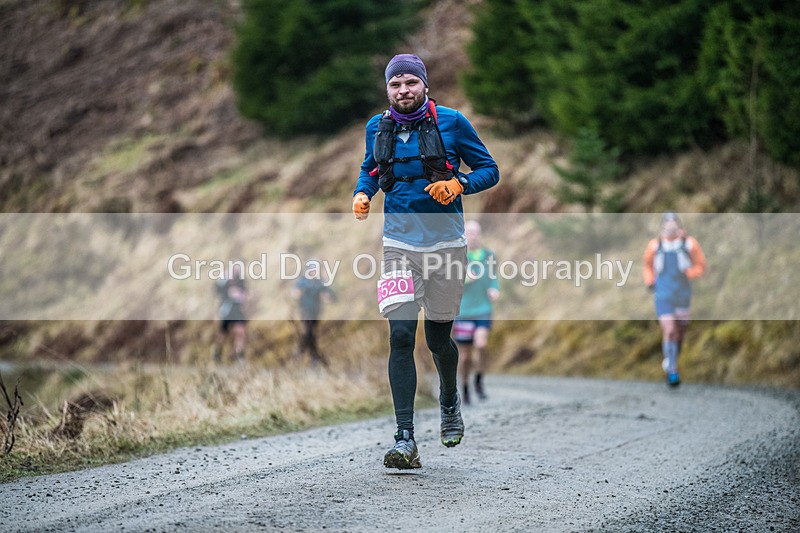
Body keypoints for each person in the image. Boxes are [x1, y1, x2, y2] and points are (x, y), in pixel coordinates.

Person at [353, 53, 499, 469]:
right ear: (387, 89)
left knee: (437, 339)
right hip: (398, 245)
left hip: (447, 247)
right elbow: (371, 170)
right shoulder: (375, 127)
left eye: (410, 83)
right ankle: (404, 439)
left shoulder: (452, 121)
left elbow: (490, 170)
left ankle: (450, 400)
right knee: (400, 336)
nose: (403, 91)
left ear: (425, 85)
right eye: (395, 84)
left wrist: (459, 184)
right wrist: (363, 194)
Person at [643, 212, 706, 387]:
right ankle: (672, 370)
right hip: (663, 295)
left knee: (680, 332)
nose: (670, 227)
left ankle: (671, 358)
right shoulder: (655, 246)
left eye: (673, 224)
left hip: (683, 294)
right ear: (662, 227)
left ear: (679, 226)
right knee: (669, 330)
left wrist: (690, 273)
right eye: (667, 224)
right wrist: (649, 281)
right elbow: (647, 265)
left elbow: (701, 265)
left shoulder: (689, 244)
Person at [453, 220, 500, 404]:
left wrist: (494, 289)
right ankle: (464, 387)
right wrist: (464, 278)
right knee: (465, 356)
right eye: (469, 232)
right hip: (463, 311)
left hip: (483, 309)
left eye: (475, 232)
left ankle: (479, 380)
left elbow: (493, 277)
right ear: (464, 235)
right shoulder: (458, 256)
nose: (472, 236)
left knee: (481, 344)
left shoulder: (489, 255)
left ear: (480, 235)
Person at [292, 260, 334, 366]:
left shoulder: (319, 282)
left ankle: (307, 351)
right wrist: (298, 292)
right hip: (305, 310)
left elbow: (327, 295)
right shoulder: (303, 281)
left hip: (316, 311)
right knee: (308, 331)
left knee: (312, 332)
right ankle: (310, 354)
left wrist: (327, 297)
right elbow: (295, 293)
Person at [213, 263, 248, 363]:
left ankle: (239, 354)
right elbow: (217, 290)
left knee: (241, 331)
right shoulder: (224, 279)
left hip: (237, 309)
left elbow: (246, 292)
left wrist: (243, 295)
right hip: (226, 309)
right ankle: (217, 352)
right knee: (223, 333)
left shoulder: (240, 280)